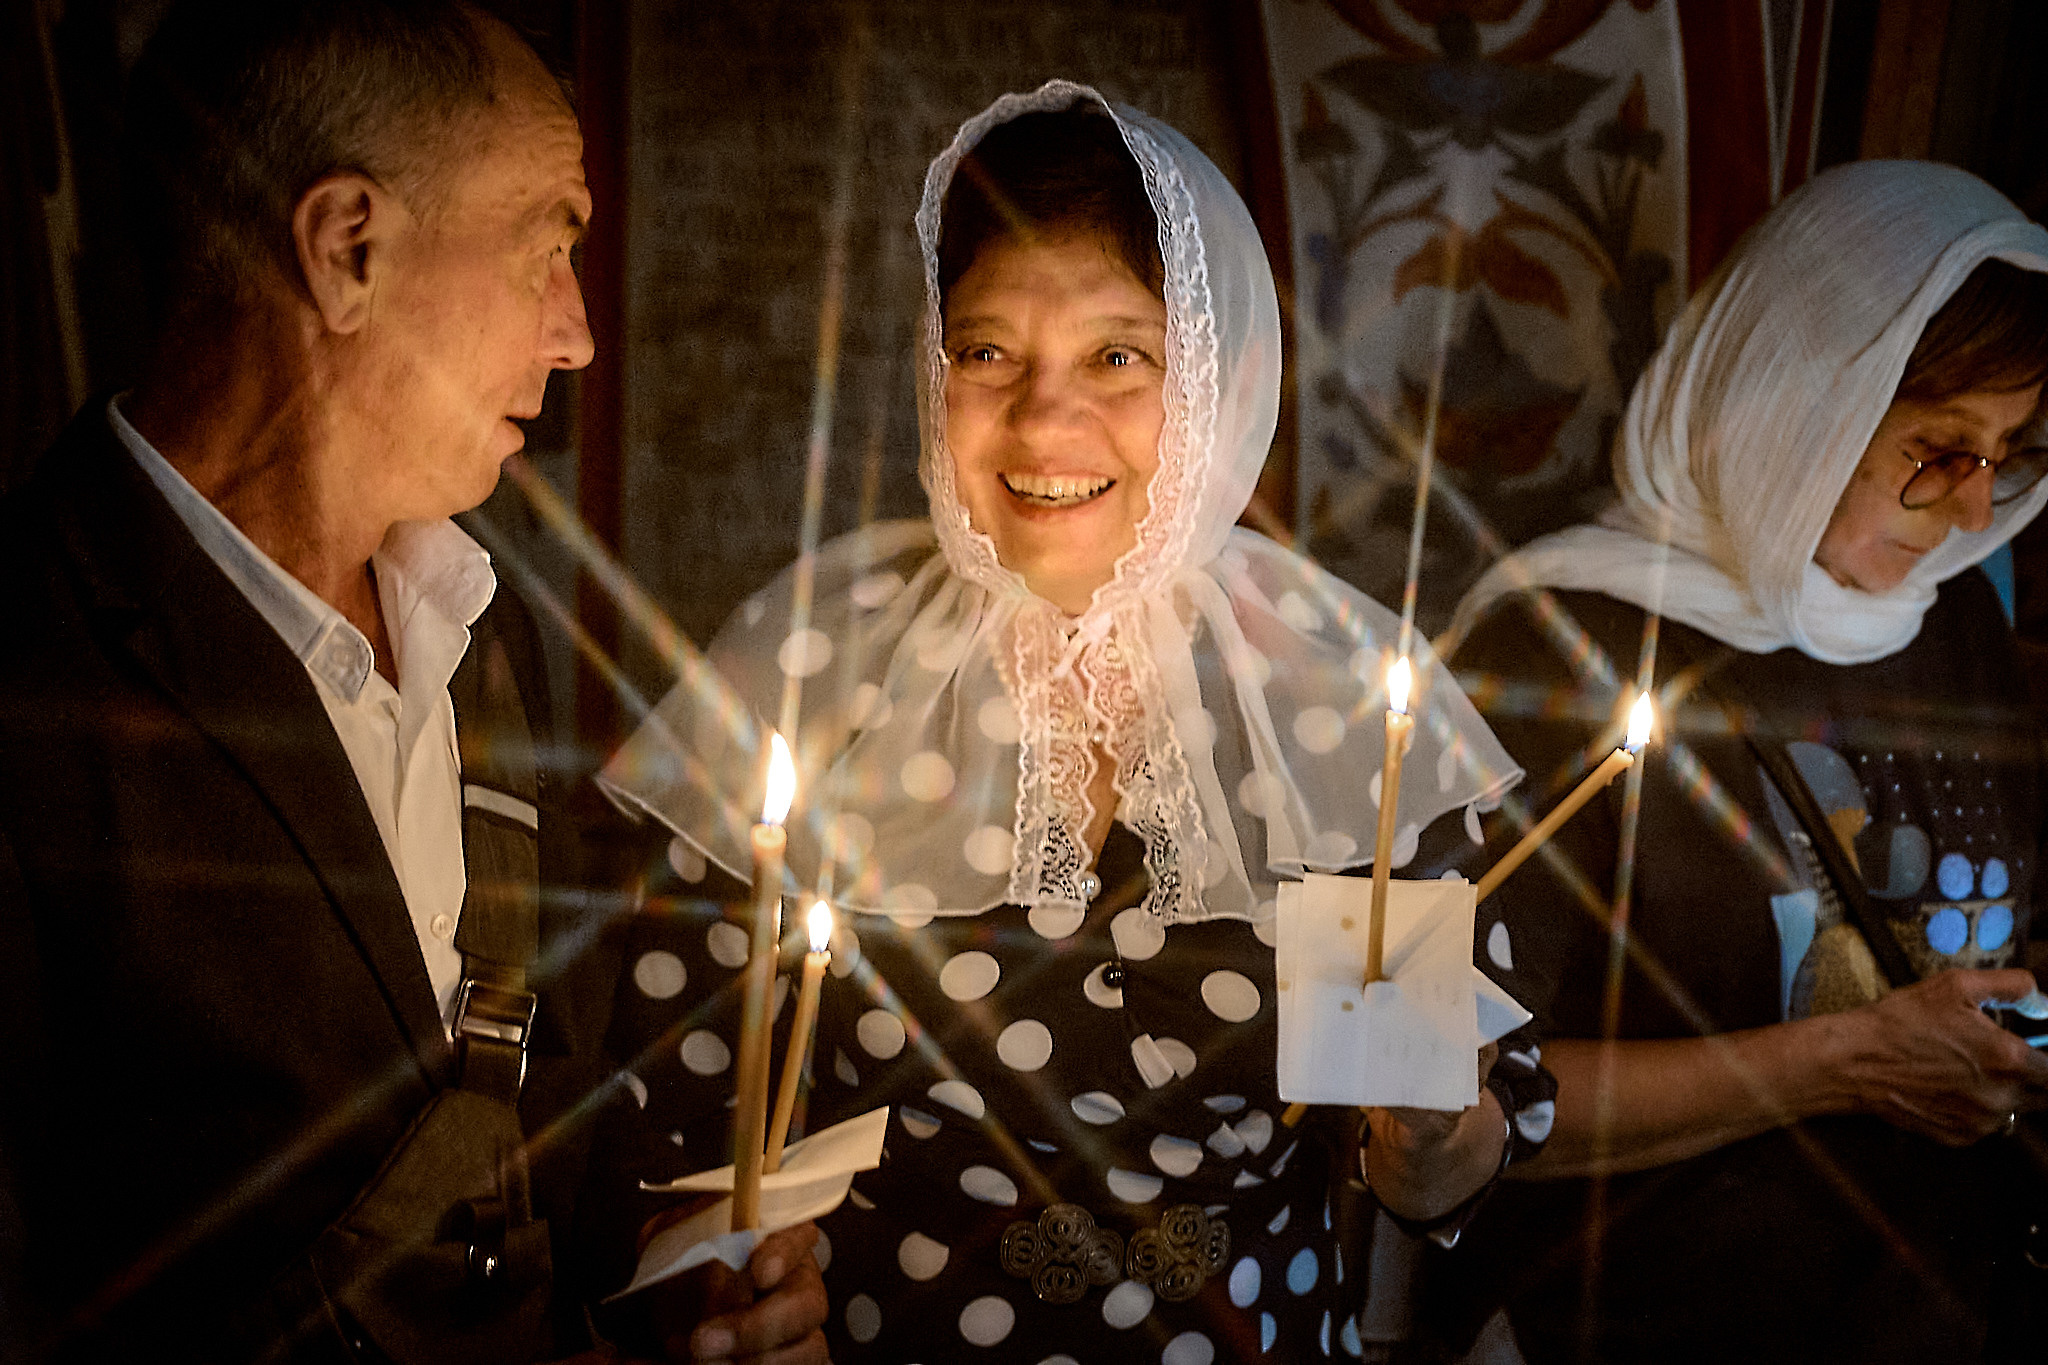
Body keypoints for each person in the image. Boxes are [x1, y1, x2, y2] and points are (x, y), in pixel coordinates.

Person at [598, 83, 1555, 1361]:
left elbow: (1427, 1182)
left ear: (1217, 377)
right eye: (986, 351)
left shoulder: (1333, 695)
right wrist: (722, 1300)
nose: (1045, 421)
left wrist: (1431, 1130)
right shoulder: (814, 661)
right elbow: (677, 1128)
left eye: (1119, 356)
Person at [0, 2, 824, 1360]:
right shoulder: (23, 677)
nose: (577, 335)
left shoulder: (482, 634)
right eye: (548, 243)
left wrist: (656, 1269)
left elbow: (524, 1091)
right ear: (349, 251)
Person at [1434, 161, 2048, 1364]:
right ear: (1794, 403)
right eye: (1935, 450)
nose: (1970, 516)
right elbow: (1452, 1104)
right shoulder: (1557, 647)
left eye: (2006, 452)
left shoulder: (1952, 626)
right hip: (1637, 1321)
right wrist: (1833, 1065)